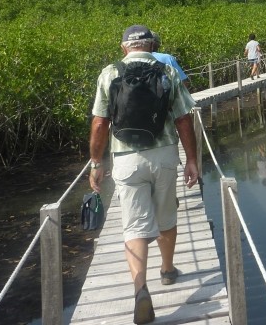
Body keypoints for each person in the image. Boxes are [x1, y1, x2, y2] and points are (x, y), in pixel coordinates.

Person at [88, 24, 198, 325]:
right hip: (163, 156)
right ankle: (167, 269)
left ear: (124, 47)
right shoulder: (168, 71)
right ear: (151, 45)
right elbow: (184, 119)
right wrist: (192, 160)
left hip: (125, 160)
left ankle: (140, 289)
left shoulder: (110, 73)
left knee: (134, 226)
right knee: (167, 217)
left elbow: (100, 123)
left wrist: (96, 162)